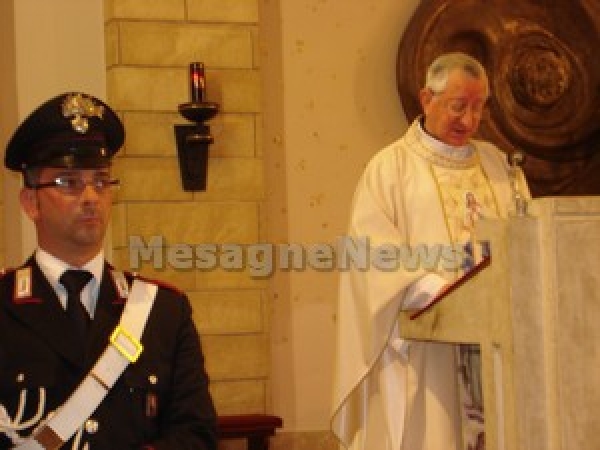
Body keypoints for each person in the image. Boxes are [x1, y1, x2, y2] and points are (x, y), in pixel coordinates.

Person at [331, 53, 530, 450]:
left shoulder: (499, 166)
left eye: (478, 108)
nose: (470, 121)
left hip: (496, 350)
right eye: (459, 107)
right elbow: (372, 254)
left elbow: (527, 241)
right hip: (425, 353)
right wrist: (444, 292)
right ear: (427, 98)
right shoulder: (390, 169)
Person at [0, 92, 218, 449]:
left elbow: (197, 436)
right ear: (30, 202)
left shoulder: (162, 312)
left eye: (101, 181)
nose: (90, 196)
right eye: (68, 182)